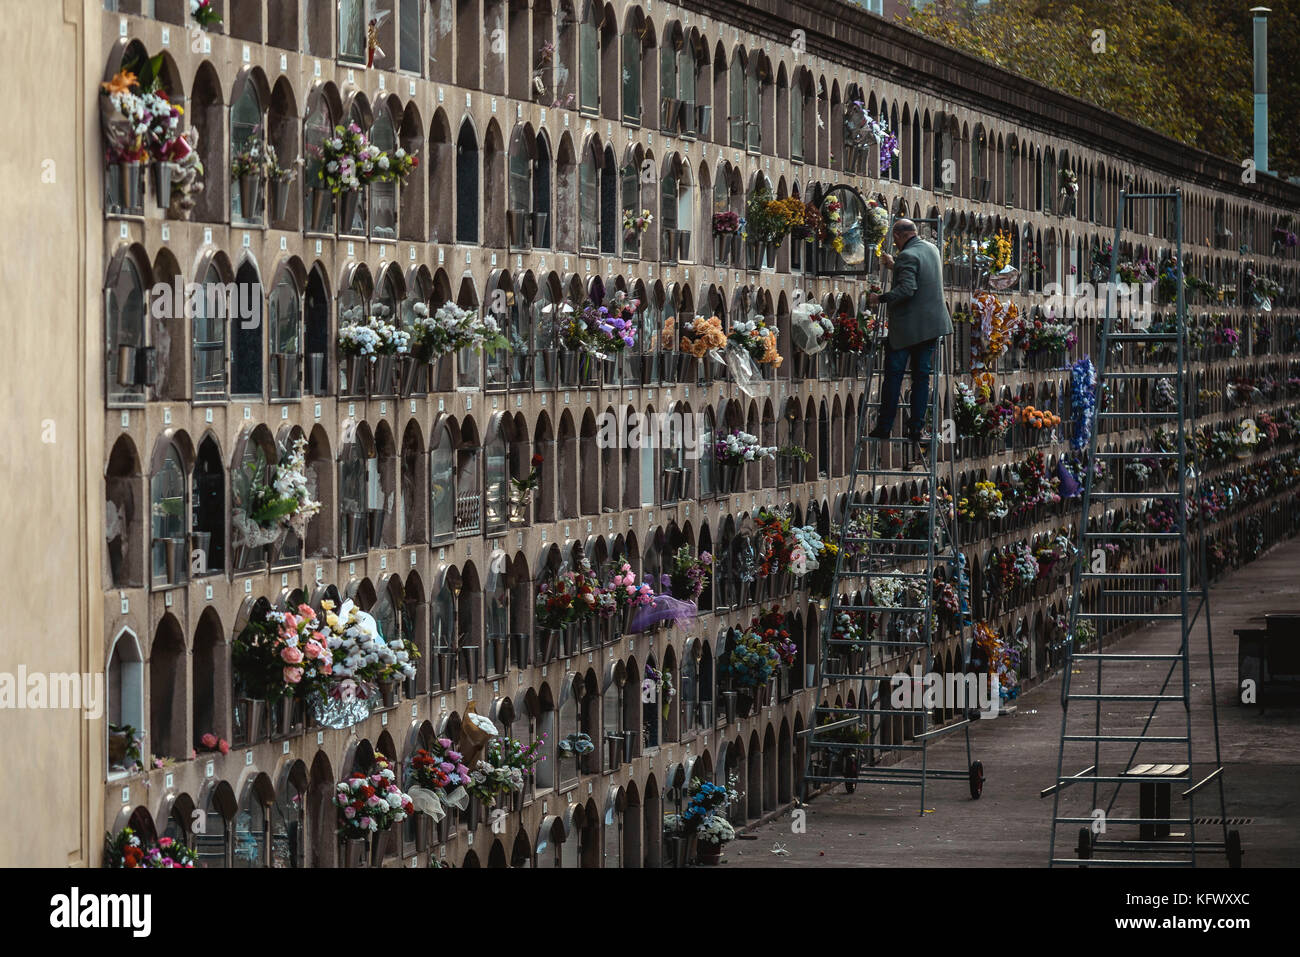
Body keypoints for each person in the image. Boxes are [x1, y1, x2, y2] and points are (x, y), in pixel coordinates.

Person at [866, 219, 953, 442]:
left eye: (894, 240)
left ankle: (884, 426)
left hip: (907, 330)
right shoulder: (931, 249)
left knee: (893, 376)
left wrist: (880, 298)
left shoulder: (906, 256)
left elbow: (907, 289)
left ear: (897, 236)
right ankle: (917, 429)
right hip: (931, 327)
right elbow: (920, 273)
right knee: (921, 378)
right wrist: (896, 266)